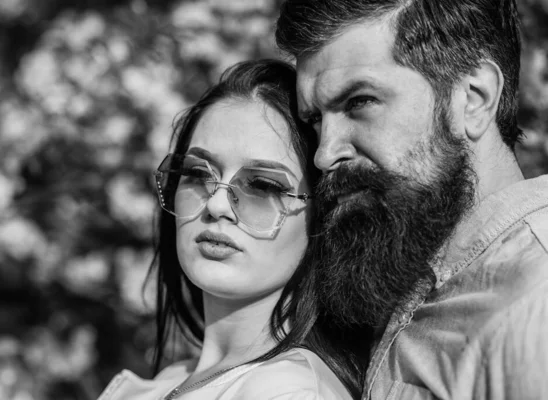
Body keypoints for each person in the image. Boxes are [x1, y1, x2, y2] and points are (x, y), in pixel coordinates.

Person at [275, 1, 548, 399]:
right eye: (315, 119)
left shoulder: (535, 301)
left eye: (359, 102)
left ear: (474, 98)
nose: (324, 153)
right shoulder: (406, 280)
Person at [97, 59, 362, 400]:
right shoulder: (173, 378)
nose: (217, 204)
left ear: (323, 214)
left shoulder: (290, 391)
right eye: (198, 174)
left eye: (263, 186)